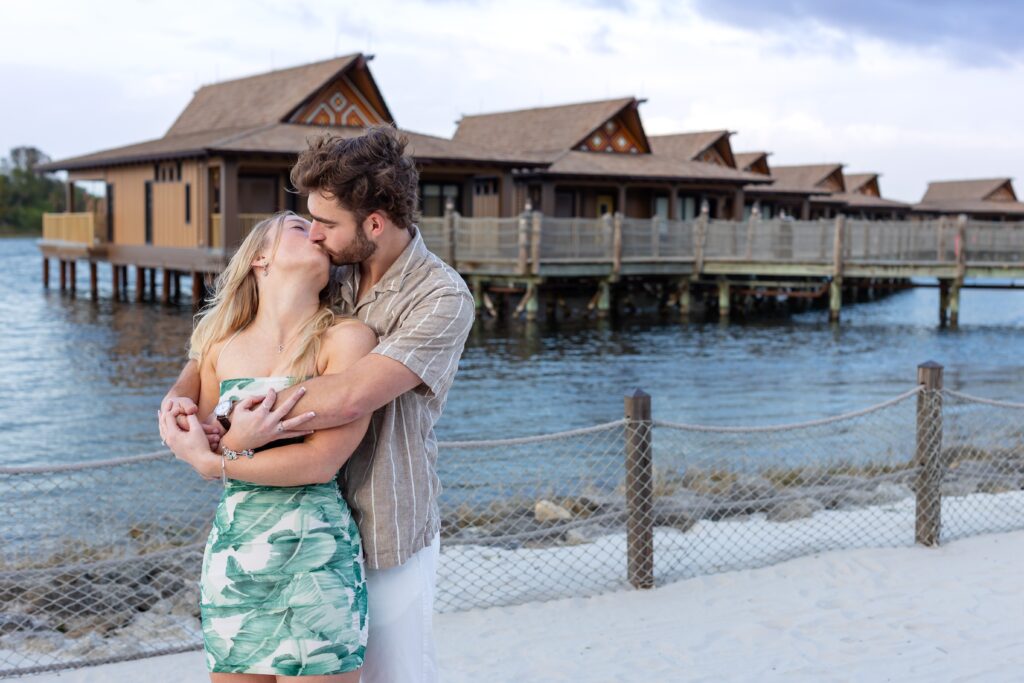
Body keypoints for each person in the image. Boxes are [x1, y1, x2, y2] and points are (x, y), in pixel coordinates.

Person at [161, 125, 476, 683]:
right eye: (307, 223)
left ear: (373, 224)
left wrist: (228, 432)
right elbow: (233, 336)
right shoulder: (336, 273)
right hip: (266, 531)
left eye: (325, 224)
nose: (316, 236)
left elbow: (350, 395)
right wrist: (181, 399)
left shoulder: (441, 297)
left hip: (382, 525)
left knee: (394, 677)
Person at [159, 211, 375, 681]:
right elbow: (206, 441)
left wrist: (219, 461)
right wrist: (208, 440)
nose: (316, 231)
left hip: (318, 558)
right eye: (299, 227)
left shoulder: (346, 339)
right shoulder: (219, 349)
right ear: (260, 257)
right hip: (237, 556)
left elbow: (320, 462)